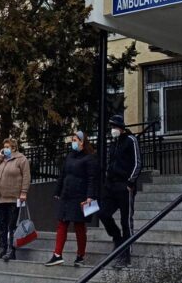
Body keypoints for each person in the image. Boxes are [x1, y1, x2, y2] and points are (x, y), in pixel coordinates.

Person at [44, 130, 98, 268]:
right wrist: (58, 190)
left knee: (79, 226)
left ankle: (80, 256)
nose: (73, 142)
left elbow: (92, 179)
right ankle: (57, 255)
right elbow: (63, 174)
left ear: (82, 142)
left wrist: (90, 196)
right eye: (72, 139)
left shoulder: (89, 158)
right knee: (62, 223)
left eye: (75, 140)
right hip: (66, 195)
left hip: (80, 196)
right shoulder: (69, 156)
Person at [98, 115, 141, 268]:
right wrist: (107, 182)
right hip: (111, 187)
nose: (112, 130)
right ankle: (117, 238)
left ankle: (125, 254)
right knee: (102, 213)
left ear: (121, 127)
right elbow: (110, 163)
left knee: (126, 221)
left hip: (125, 186)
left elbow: (137, 163)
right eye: (111, 127)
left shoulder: (131, 140)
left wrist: (130, 182)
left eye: (114, 127)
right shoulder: (113, 143)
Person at [0, 137, 30, 261]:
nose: (5, 149)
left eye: (7, 147)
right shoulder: (2, 160)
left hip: (14, 198)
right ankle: (3, 248)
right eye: (4, 147)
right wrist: (0, 157)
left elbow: (26, 177)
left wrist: (24, 192)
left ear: (14, 148)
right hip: (0, 198)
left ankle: (11, 250)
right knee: (2, 224)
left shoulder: (21, 159)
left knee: (12, 225)